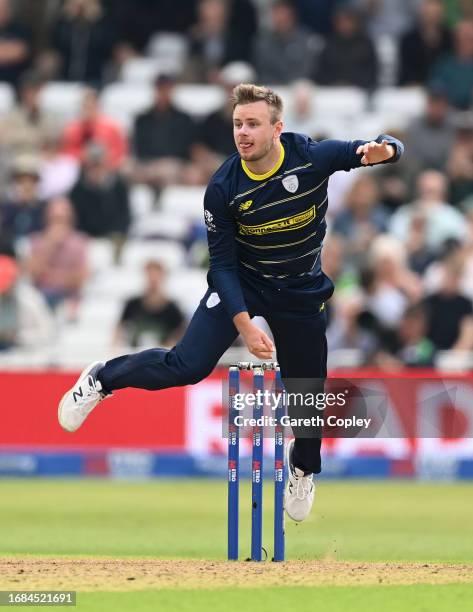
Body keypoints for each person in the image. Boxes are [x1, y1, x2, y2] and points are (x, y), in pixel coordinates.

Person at [58, 84, 404, 523]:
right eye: (238, 124)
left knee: (307, 398)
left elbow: (382, 148)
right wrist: (244, 325)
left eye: (253, 124)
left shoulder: (312, 157)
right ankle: (102, 378)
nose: (243, 132)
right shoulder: (223, 187)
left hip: (299, 290)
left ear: (278, 128)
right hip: (242, 282)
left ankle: (302, 469)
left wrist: (385, 150)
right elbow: (220, 266)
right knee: (188, 365)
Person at [112, 260, 185, 349]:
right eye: (150, 276)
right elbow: (119, 330)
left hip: (162, 357)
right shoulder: (132, 304)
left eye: (156, 276)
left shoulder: (172, 308)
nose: (153, 280)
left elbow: (180, 333)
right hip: (134, 354)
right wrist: (116, 347)